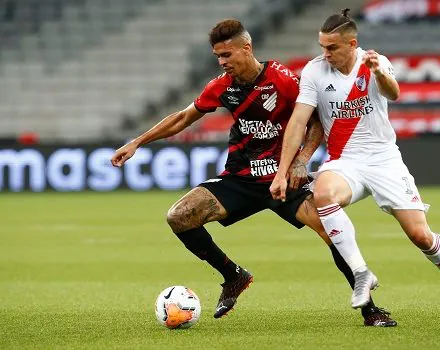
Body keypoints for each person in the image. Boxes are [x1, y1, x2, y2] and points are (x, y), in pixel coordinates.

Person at [111, 19, 396, 327]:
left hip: (283, 178)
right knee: (179, 216)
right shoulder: (221, 86)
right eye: (218, 57)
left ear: (246, 49)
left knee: (332, 233)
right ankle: (233, 276)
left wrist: (300, 161)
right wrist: (137, 142)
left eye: (227, 55)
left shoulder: (282, 80)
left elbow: (314, 122)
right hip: (241, 177)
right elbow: (183, 118)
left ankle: (371, 310)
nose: (222, 63)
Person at [270, 9, 440, 325]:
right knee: (324, 193)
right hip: (345, 161)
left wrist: (378, 72)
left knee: (421, 236)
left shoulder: (374, 61)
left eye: (332, 48)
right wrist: (284, 169)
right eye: (322, 47)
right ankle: (361, 272)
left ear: (352, 44)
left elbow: (394, 92)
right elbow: (299, 120)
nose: (325, 54)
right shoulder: (315, 72)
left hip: (384, 161)